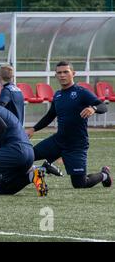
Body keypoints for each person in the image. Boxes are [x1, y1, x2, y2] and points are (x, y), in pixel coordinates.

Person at [0, 64, 61, 186]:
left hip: (9, 130)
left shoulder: (6, 91)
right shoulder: (17, 89)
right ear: (12, 77)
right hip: (18, 129)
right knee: (15, 160)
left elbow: (0, 108)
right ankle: (41, 168)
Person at [26, 61, 112, 189]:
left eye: (66, 72)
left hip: (76, 145)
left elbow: (103, 106)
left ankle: (104, 174)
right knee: (26, 156)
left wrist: (93, 108)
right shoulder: (58, 95)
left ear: (73, 73)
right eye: (59, 73)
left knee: (80, 184)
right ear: (56, 75)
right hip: (58, 141)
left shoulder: (81, 92)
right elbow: (50, 115)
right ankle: (42, 169)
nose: (62, 75)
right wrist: (33, 129)